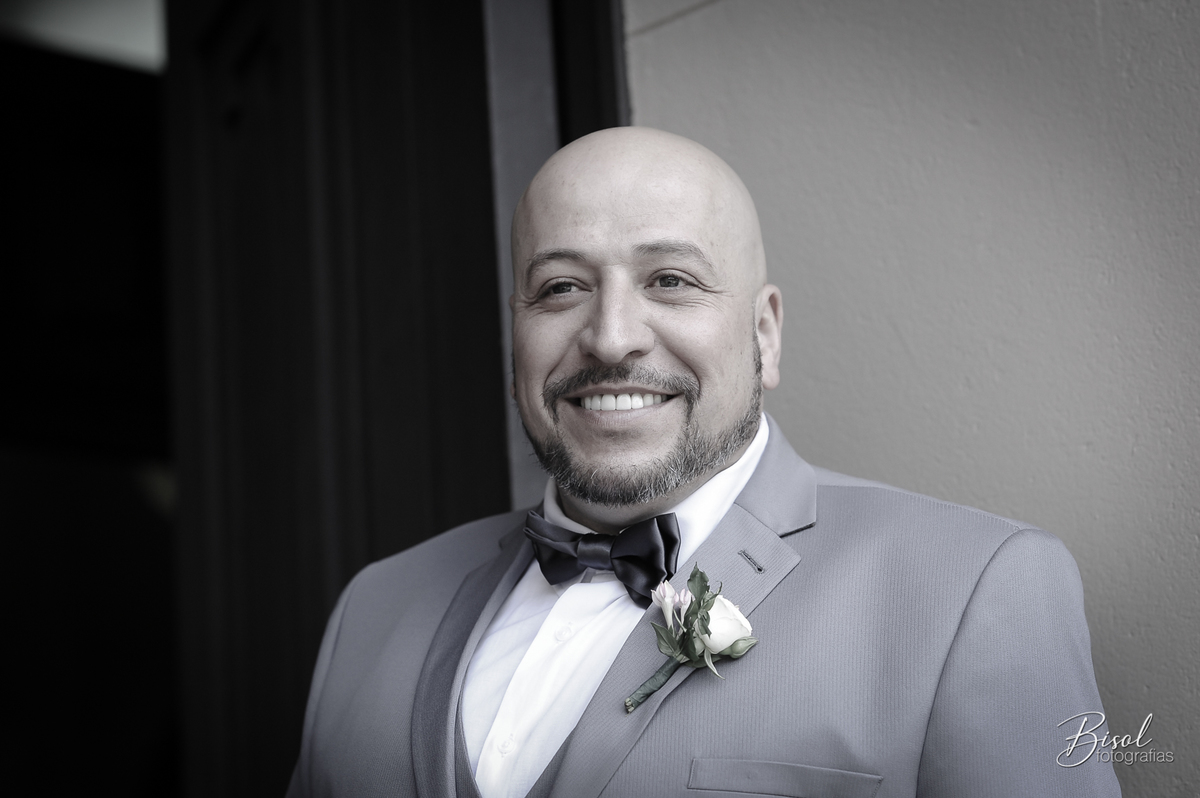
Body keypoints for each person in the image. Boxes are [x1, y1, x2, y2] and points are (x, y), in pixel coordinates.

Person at [286, 127, 1121, 798]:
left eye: (671, 280)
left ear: (765, 334)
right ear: (516, 333)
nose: (611, 337)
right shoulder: (373, 609)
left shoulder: (974, 590)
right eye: (561, 288)